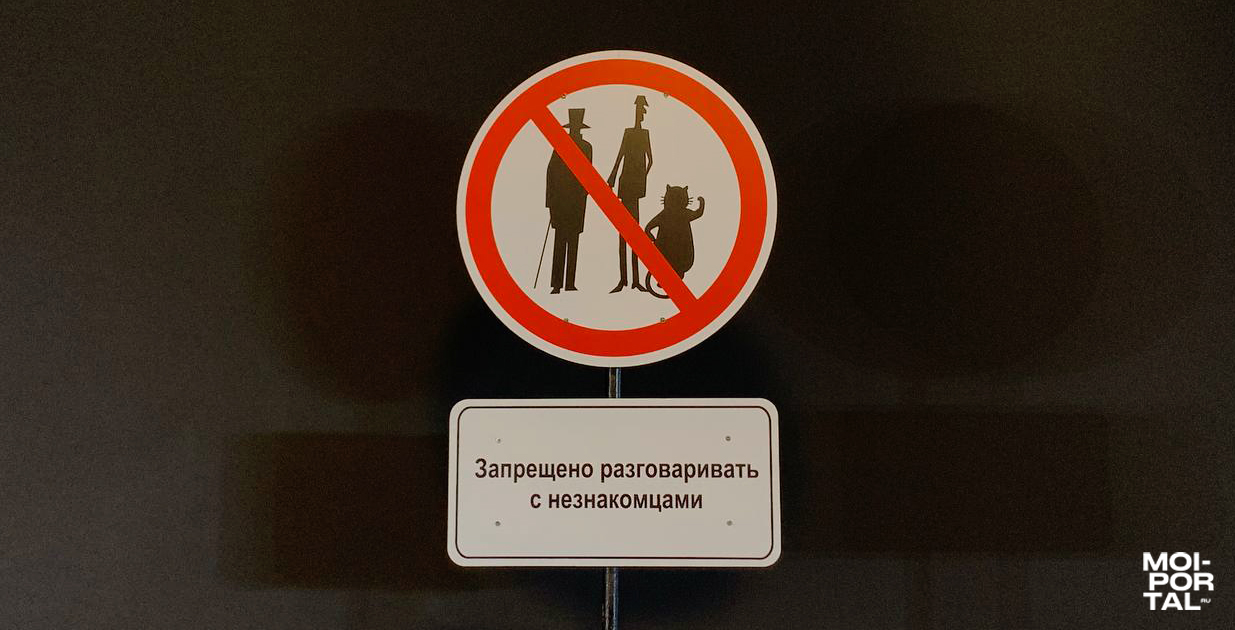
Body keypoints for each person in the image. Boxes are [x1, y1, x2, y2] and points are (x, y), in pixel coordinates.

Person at [606, 95, 653, 292]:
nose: (639, 114)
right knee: (623, 232)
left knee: (635, 232)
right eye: (637, 110)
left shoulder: (645, 134)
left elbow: (651, 160)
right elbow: (620, 155)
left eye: (641, 111)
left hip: (635, 186)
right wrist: (612, 176)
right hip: (625, 184)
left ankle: (635, 280)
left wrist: (642, 177)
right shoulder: (628, 132)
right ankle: (624, 279)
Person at [544, 108, 592, 294]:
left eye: (576, 127)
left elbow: (589, 176)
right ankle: (557, 284)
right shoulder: (560, 146)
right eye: (574, 127)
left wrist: (584, 194)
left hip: (577, 202)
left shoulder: (587, 147)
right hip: (562, 202)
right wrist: (550, 202)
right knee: (560, 241)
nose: (575, 130)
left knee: (573, 241)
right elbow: (550, 174)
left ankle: (569, 283)